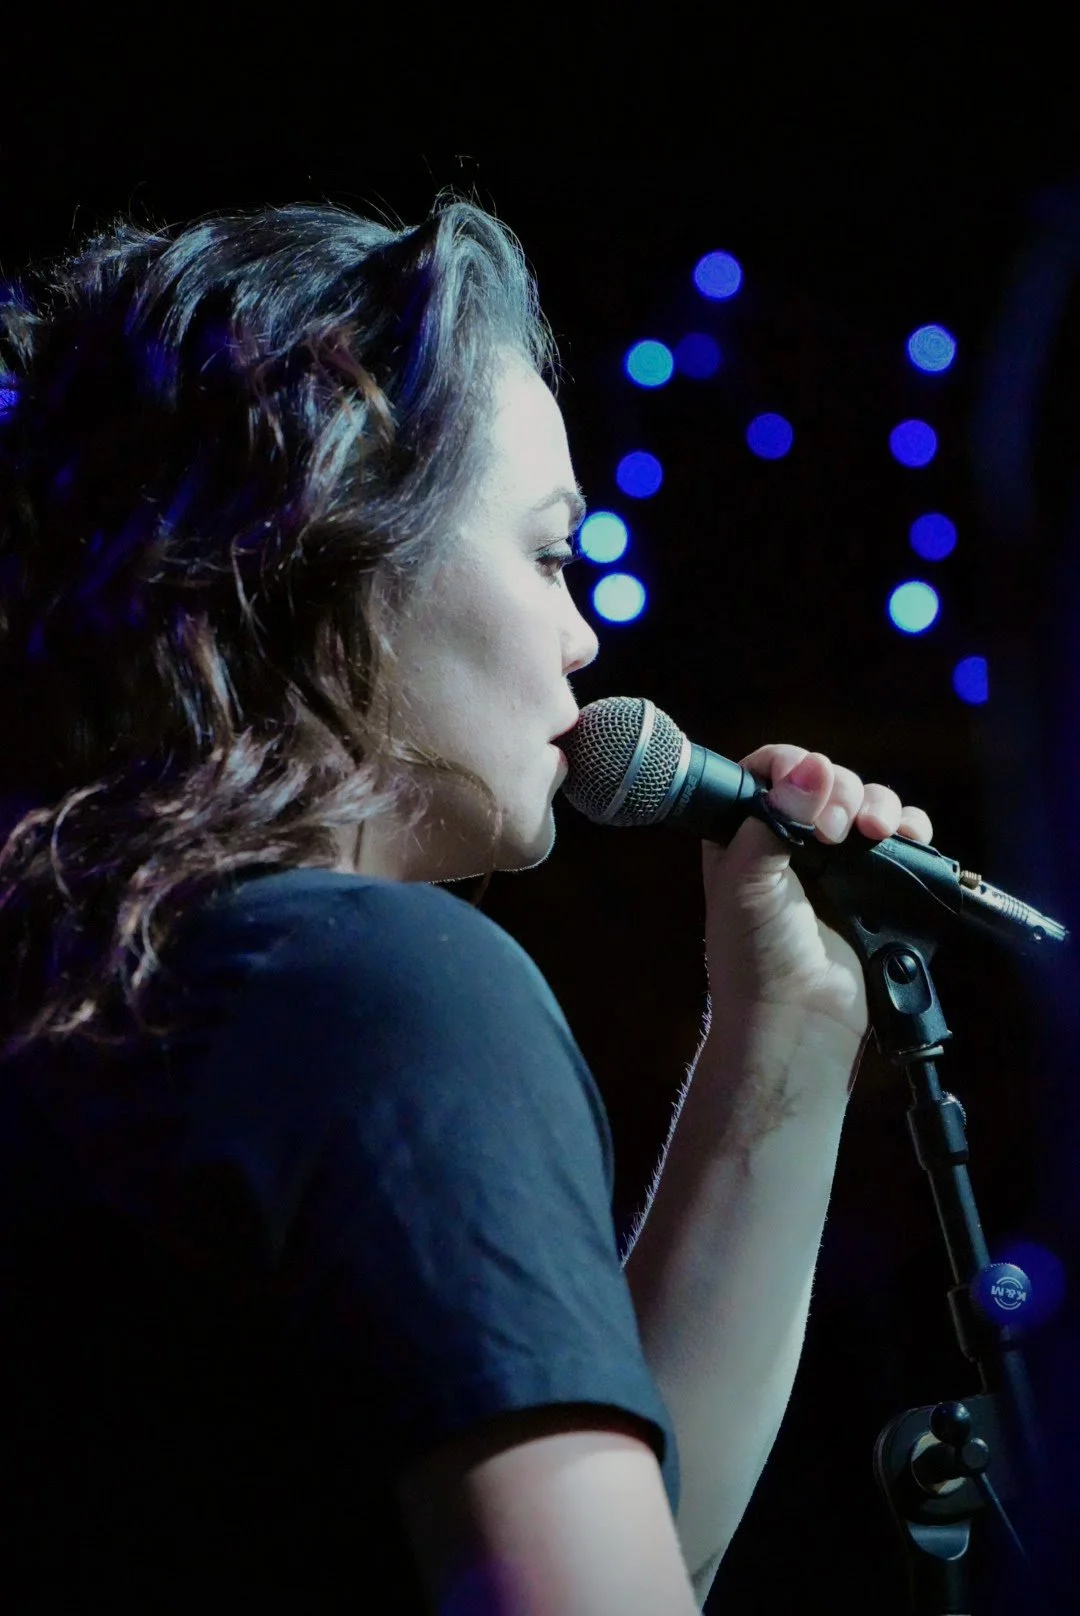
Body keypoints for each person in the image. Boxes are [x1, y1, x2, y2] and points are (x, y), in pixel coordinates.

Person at [0, 196, 933, 1612]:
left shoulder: (97, 986)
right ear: (341, 542)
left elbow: (632, 1544)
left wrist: (791, 1029)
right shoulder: (382, 989)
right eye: (553, 553)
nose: (585, 631)